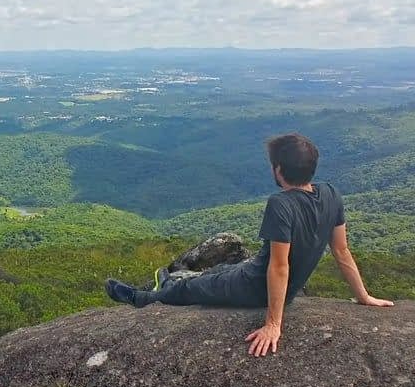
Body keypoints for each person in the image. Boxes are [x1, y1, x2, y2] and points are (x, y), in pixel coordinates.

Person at [105, 133, 394, 357]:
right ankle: (167, 282)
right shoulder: (331, 193)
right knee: (213, 274)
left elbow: (279, 267)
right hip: (268, 282)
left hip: (254, 286)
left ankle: (142, 298)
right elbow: (341, 251)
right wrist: (364, 296)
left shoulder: (281, 203)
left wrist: (273, 324)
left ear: (278, 170)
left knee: (189, 289)